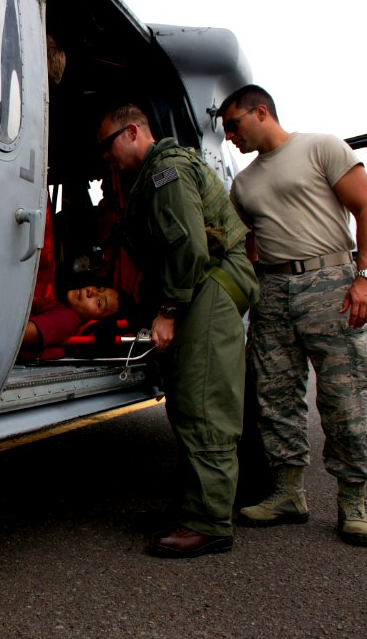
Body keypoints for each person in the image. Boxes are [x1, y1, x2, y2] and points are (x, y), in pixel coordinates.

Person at [218, 85, 367, 547]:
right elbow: (247, 246)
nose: (229, 135)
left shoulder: (321, 147)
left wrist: (365, 277)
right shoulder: (243, 184)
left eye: (234, 124)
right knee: (275, 398)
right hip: (273, 290)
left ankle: (353, 503)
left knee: (345, 398)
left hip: (331, 282)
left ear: (261, 111)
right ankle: (288, 494)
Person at [98, 104, 259, 558]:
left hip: (206, 285)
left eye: (107, 145)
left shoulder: (165, 171)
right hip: (202, 288)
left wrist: (168, 309)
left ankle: (208, 523)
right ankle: (193, 507)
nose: (105, 158)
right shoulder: (153, 174)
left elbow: (187, 244)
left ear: (131, 131)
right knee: (188, 401)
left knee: (204, 405)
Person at [21, 285, 119, 357]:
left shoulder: (67, 319)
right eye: (99, 289)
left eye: (98, 302)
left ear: (96, 321)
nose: (91, 290)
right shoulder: (63, 308)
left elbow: (17, 335)